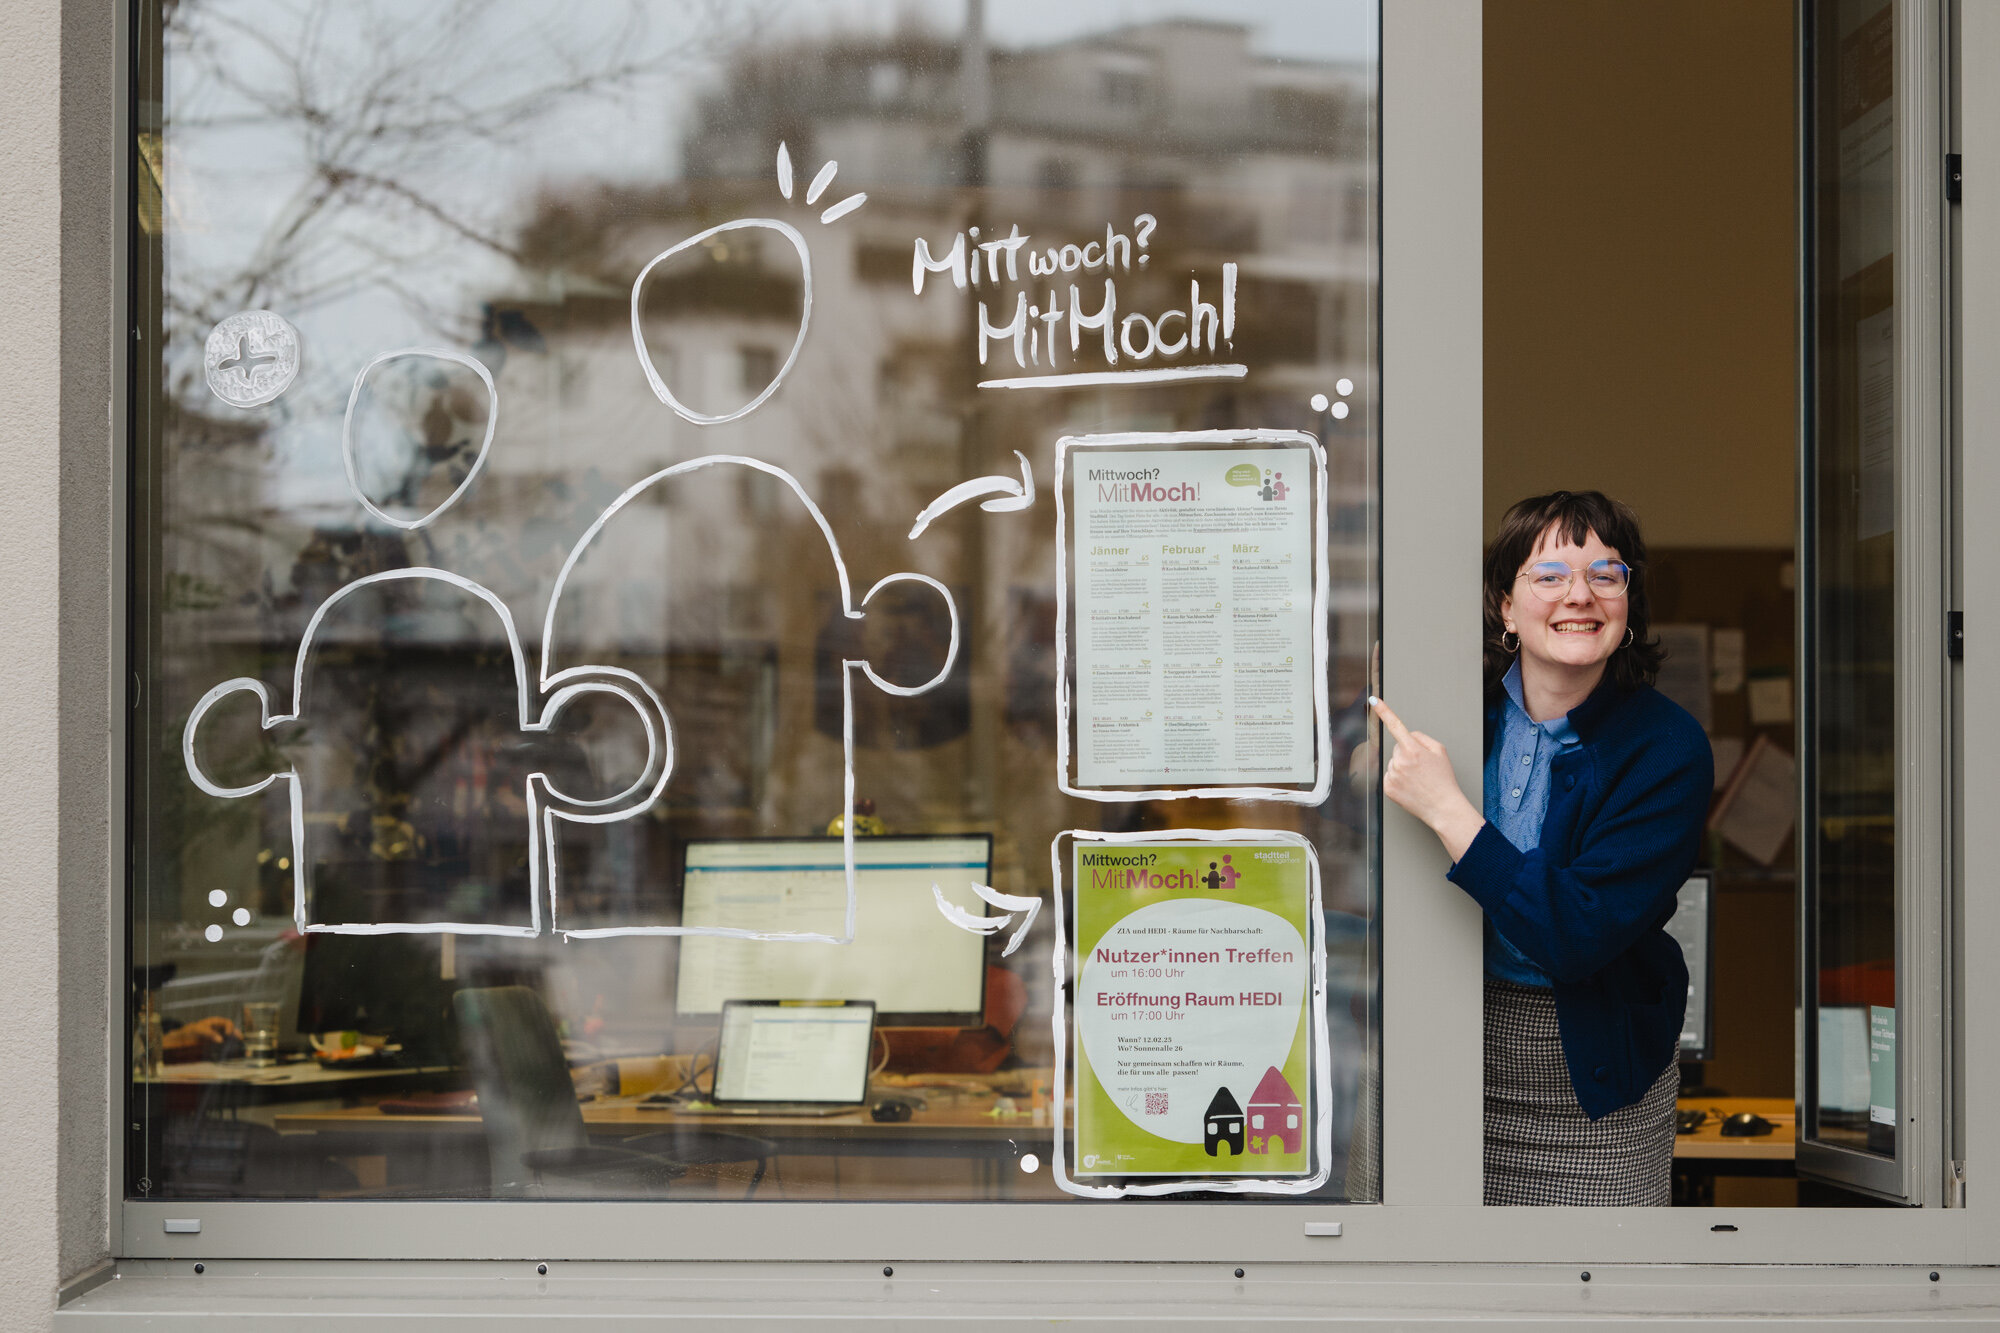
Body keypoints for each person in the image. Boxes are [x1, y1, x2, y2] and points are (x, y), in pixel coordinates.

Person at [1370, 490, 1710, 1205]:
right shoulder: (1450, 713)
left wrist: (1448, 810)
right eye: (1549, 574)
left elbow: (1575, 932)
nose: (1578, 596)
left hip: (1592, 1080)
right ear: (1506, 605)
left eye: (1605, 574)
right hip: (1433, 1046)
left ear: (1628, 597)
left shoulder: (1668, 748)